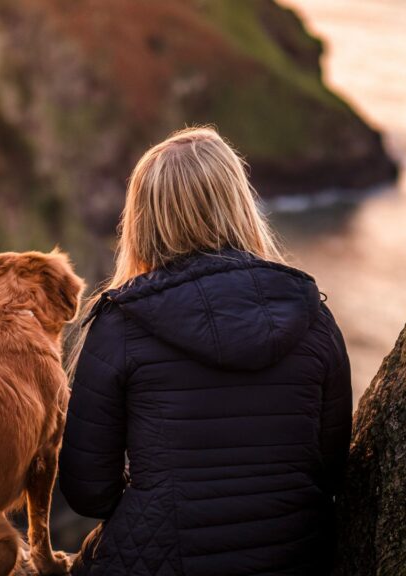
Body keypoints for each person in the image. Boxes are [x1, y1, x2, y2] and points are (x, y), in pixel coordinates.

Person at [59, 126, 352, 576]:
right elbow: (330, 471)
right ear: (238, 202)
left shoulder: (121, 322)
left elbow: (87, 492)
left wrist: (160, 496)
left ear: (143, 219)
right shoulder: (313, 316)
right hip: (295, 558)